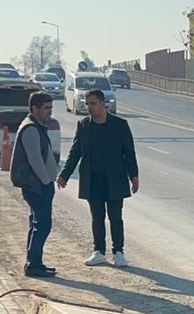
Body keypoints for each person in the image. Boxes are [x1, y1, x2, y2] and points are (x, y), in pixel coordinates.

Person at [57, 89, 139, 267]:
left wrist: (134, 176)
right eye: (87, 104)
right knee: (97, 217)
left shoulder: (119, 125)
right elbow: (75, 152)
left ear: (104, 104)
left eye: (93, 104)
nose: (89, 107)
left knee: (115, 217)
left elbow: (129, 153)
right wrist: (64, 174)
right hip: (93, 180)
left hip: (114, 179)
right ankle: (99, 251)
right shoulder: (84, 125)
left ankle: (118, 252)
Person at [9, 91, 59, 278]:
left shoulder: (38, 126)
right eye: (46, 108)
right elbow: (35, 159)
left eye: (51, 108)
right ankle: (33, 265)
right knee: (42, 224)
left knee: (38, 223)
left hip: (40, 184)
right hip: (36, 185)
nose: (49, 112)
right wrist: (46, 182)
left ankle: (35, 262)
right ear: (34, 108)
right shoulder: (30, 128)